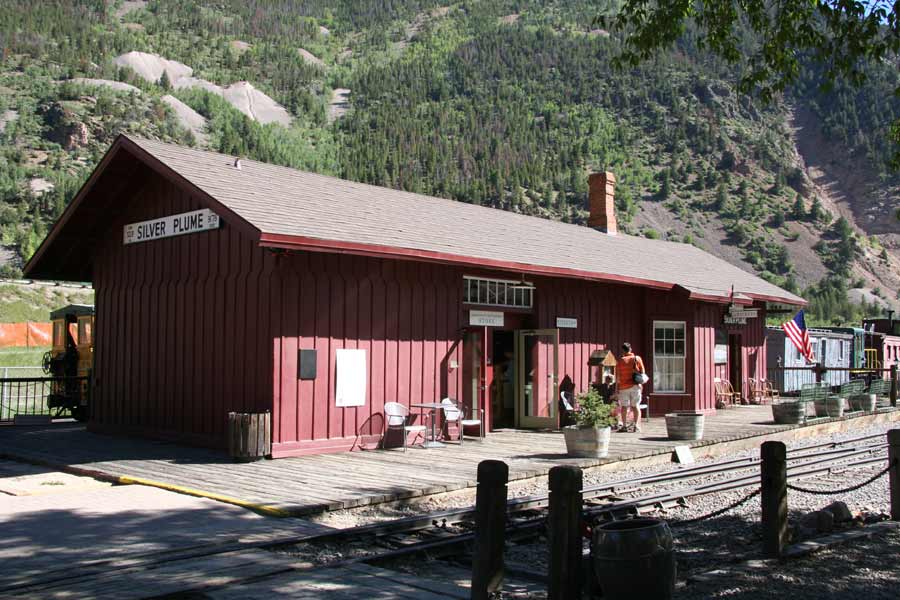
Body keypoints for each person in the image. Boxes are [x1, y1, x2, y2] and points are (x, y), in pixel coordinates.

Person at [615, 342, 646, 433]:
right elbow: (642, 372)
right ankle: (636, 426)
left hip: (623, 387)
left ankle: (624, 426)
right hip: (634, 386)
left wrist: (617, 389)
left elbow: (618, 376)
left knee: (624, 406)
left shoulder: (620, 361)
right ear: (630, 349)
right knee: (635, 406)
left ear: (623, 350)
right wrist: (641, 384)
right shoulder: (637, 358)